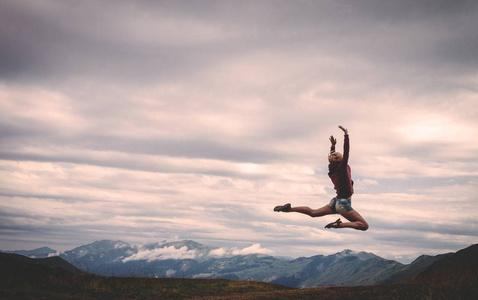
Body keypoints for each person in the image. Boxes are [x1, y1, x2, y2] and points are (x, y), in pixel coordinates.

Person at [274, 125, 369, 231]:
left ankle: (289, 209)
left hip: (336, 201)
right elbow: (346, 152)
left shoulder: (332, 169)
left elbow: (333, 159)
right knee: (364, 226)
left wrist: (332, 147)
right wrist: (346, 135)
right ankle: (339, 225)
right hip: (342, 204)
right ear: (341, 160)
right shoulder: (342, 169)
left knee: (313, 213)